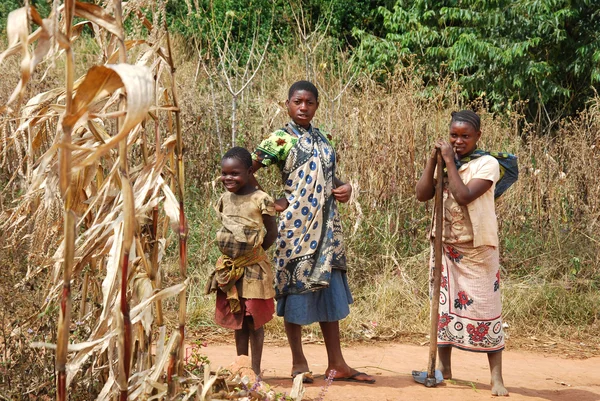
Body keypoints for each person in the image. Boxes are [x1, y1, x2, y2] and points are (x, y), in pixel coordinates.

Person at [250, 81, 375, 384]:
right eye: (298, 102)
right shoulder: (279, 139)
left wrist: (344, 188)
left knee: (328, 289)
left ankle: (337, 364)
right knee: (295, 289)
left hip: (328, 228)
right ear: (287, 104)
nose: (303, 107)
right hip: (295, 229)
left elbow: (329, 177)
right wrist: (269, 202)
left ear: (317, 105)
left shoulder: (324, 138)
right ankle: (298, 363)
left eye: (309, 102)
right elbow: (244, 171)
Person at [415, 110, 517, 396]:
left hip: (476, 248)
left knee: (487, 309)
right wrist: (431, 162)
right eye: (453, 136)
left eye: (465, 136)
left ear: (478, 137)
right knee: (444, 308)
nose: (458, 141)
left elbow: (463, 195)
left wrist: (448, 160)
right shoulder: (446, 162)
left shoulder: (488, 164)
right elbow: (423, 194)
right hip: (445, 245)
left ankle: (496, 378)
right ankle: (444, 368)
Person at [205, 146, 278, 375]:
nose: (228, 178)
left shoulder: (261, 199)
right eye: (225, 173)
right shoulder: (225, 198)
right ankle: (241, 368)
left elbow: (272, 233)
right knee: (238, 318)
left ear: (248, 172)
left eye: (235, 173)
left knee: (254, 319)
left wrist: (253, 256)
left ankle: (255, 371)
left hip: (255, 268)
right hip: (231, 269)